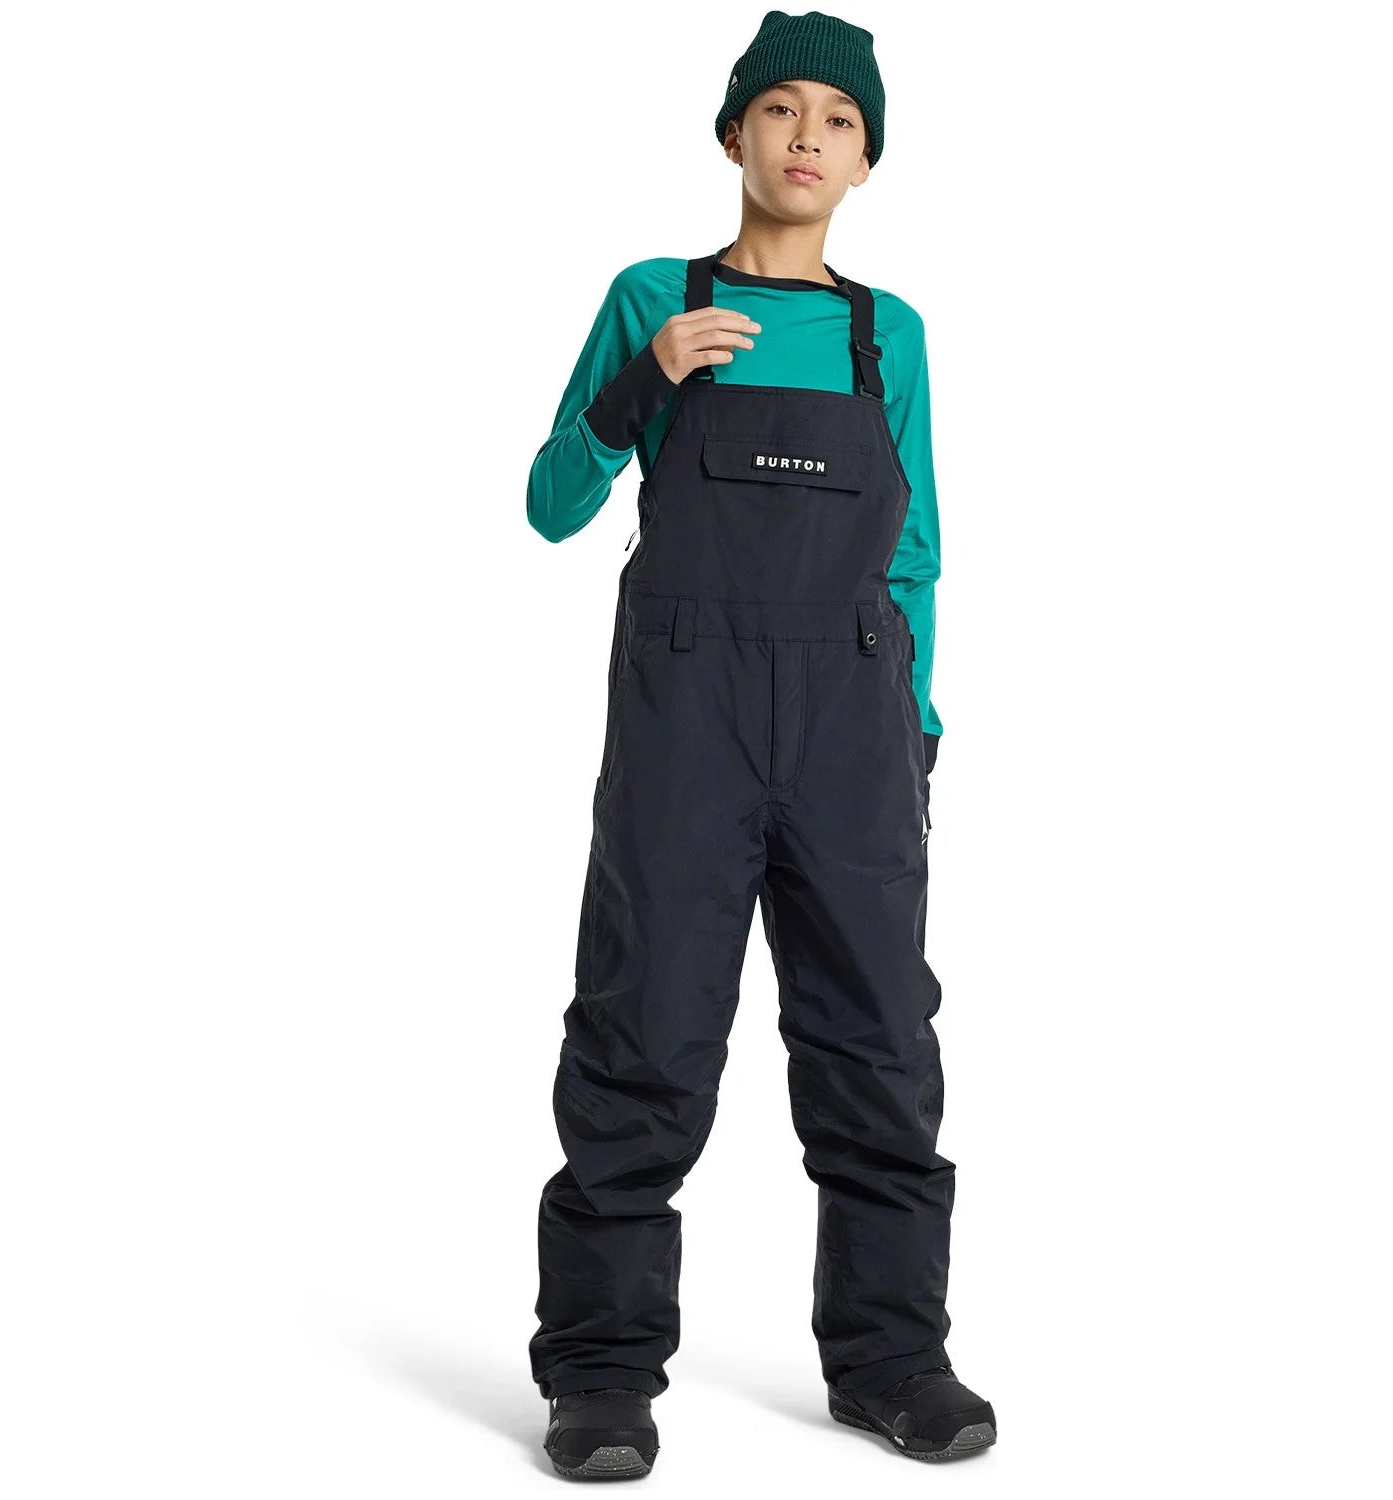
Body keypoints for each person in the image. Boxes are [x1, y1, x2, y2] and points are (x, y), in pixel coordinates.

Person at [525, 10, 996, 1478]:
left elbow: (915, 551)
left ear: (866, 161)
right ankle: (601, 1372)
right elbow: (551, 504)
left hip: (855, 720)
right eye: (781, 109)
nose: (808, 137)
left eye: (839, 120)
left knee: (878, 1044)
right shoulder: (651, 298)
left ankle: (892, 1360)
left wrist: (915, 734)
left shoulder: (885, 332)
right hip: (690, 720)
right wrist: (645, 378)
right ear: (734, 134)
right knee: (645, 1034)